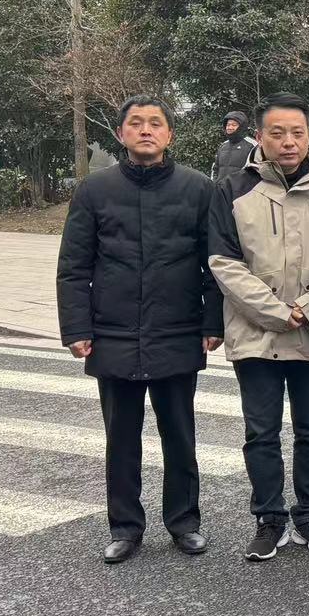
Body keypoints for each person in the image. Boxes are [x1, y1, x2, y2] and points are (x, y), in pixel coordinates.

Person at [56, 96, 224, 564]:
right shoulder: (95, 190)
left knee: (180, 434)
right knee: (121, 438)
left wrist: (212, 321)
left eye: (155, 123)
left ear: (169, 134)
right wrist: (76, 326)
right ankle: (125, 527)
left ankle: (184, 522)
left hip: (177, 329)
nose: (145, 130)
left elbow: (214, 263)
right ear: (121, 134)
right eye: (136, 123)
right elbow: (74, 265)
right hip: (113, 332)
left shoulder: (198, 188)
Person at [209, 94, 309, 561]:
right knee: (261, 433)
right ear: (260, 137)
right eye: (277, 133)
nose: (288, 142)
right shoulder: (231, 189)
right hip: (255, 334)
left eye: (297, 133)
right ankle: (269, 519)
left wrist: (307, 307)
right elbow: (223, 262)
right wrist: (276, 312)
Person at [211, 110, 256, 181]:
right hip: (220, 187)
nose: (230, 127)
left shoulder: (252, 145)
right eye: (228, 125)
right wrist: (214, 184)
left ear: (242, 126)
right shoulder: (223, 146)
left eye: (234, 125)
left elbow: (255, 171)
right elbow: (215, 169)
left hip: (241, 187)